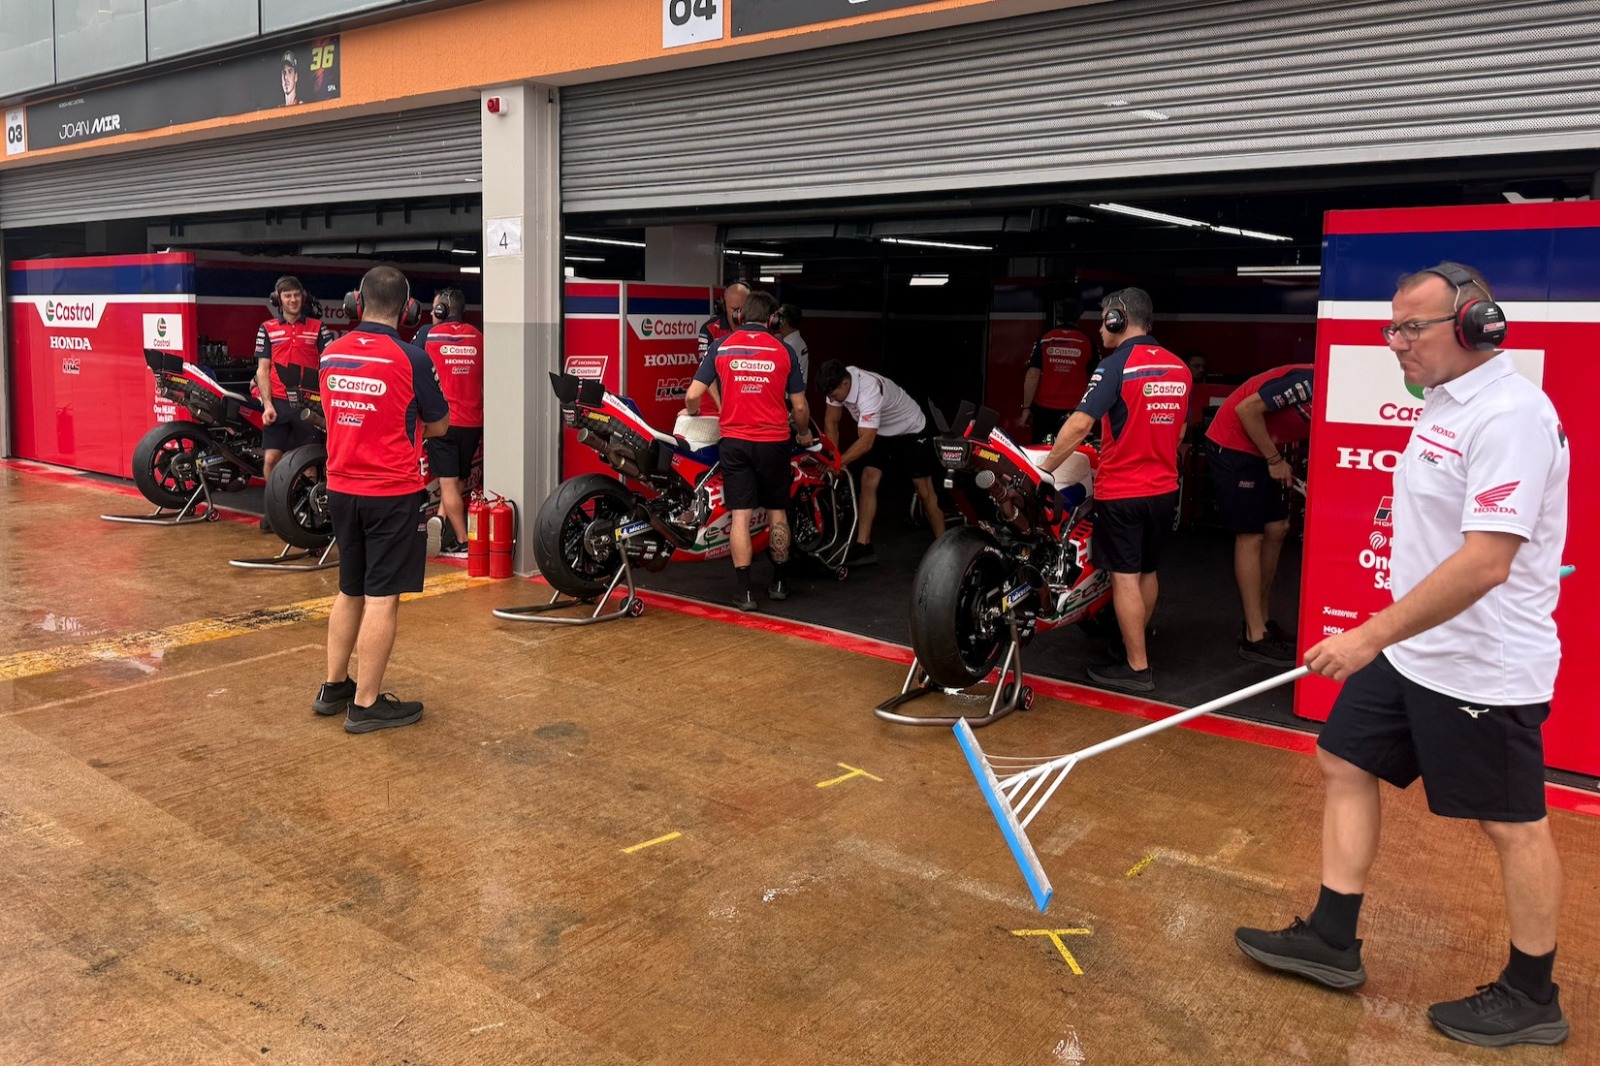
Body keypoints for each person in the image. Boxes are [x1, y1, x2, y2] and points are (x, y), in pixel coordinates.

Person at [1236, 263, 1570, 1048]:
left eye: (1411, 327)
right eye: (1392, 327)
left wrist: (1369, 635)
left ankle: (1533, 996)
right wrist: (1390, 634)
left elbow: (1487, 562)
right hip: (1419, 649)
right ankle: (1331, 938)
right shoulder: (1446, 400)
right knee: (1344, 757)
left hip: (1483, 663)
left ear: (1477, 326)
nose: (1395, 342)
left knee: (1511, 824)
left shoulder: (1511, 416)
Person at [313, 265, 450, 734]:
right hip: (391, 492)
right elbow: (441, 424)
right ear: (408, 309)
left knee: (350, 589)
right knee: (382, 598)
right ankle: (366, 704)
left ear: (357, 301)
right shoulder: (412, 359)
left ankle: (334, 687)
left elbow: (330, 413)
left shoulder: (330, 354)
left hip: (340, 487)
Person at [1036, 288, 1190, 693]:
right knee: (1147, 571)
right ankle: (1130, 645)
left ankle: (1136, 667)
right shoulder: (1179, 368)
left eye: (1104, 318)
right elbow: (1179, 433)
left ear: (1118, 318)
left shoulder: (1114, 366)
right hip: (1164, 490)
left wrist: (1044, 472)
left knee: (1124, 577)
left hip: (1123, 491)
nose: (1100, 327)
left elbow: (1079, 425)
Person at [684, 290, 812, 611]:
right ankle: (779, 583)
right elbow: (799, 408)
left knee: (740, 515)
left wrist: (695, 412)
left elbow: (692, 395)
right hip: (774, 443)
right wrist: (804, 433)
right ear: (773, 319)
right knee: (777, 511)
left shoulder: (720, 346)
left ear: (740, 316)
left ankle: (745, 593)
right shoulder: (784, 351)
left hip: (735, 443)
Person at [1205, 363, 1314, 666]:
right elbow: (1247, 409)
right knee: (1251, 535)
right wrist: (1275, 460)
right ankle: (1254, 635)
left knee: (1277, 528)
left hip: (1265, 447)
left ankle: (1263, 621)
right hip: (1234, 445)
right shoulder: (1312, 380)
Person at [818, 361, 944, 567]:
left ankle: (944, 546)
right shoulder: (835, 385)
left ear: (845, 384)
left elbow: (866, 442)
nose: (832, 399)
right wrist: (834, 458)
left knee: (923, 490)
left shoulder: (868, 390)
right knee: (868, 479)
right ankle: (864, 547)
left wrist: (839, 463)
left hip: (909, 427)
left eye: (833, 395)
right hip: (880, 429)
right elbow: (831, 423)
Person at [253, 275, 335, 533]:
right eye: (287, 296)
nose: (293, 300)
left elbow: (330, 364)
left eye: (296, 295)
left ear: (303, 297)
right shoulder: (267, 328)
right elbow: (263, 369)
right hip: (277, 403)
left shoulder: (318, 327)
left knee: (309, 463)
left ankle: (307, 513)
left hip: (309, 404)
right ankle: (273, 510)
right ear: (279, 299)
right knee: (271, 458)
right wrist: (267, 405)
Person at [414, 288, 484, 557]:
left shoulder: (428, 334)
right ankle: (441, 520)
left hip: (442, 421)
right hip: (473, 422)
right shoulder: (478, 336)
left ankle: (464, 540)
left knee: (447, 482)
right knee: (458, 480)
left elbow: (409, 367)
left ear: (441, 310)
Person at [1020, 298, 1094, 443]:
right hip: (1076, 411)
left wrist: (1026, 408)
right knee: (1074, 452)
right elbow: (1095, 376)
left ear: (1058, 316)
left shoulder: (1045, 339)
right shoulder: (1087, 341)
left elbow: (1032, 374)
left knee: (1041, 451)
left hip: (1044, 410)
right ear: (1079, 316)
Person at [775, 304, 810, 387]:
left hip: (789, 392)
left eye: (778, 316)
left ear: (784, 321)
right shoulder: (791, 341)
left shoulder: (792, 346)